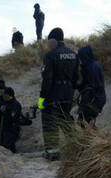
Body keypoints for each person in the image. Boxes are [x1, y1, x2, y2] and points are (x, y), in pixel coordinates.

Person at [37, 27, 79, 161]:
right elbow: (76, 77)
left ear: (54, 39)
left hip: (54, 93)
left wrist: (42, 97)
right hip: (69, 93)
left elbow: (48, 78)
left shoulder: (50, 55)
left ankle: (52, 152)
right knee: (66, 120)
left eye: (49, 40)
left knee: (50, 122)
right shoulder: (73, 54)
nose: (48, 44)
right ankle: (76, 146)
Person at [77, 45, 106, 128]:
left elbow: (93, 86)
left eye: (81, 56)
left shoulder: (92, 67)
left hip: (95, 99)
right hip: (95, 98)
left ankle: (96, 138)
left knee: (85, 121)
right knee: (84, 121)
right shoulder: (90, 66)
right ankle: (93, 138)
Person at [0, 87, 22, 153]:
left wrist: (6, 110)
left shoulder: (16, 105)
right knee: (9, 146)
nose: (3, 96)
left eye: (4, 95)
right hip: (5, 128)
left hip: (12, 129)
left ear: (8, 95)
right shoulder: (5, 102)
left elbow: (13, 117)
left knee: (7, 146)